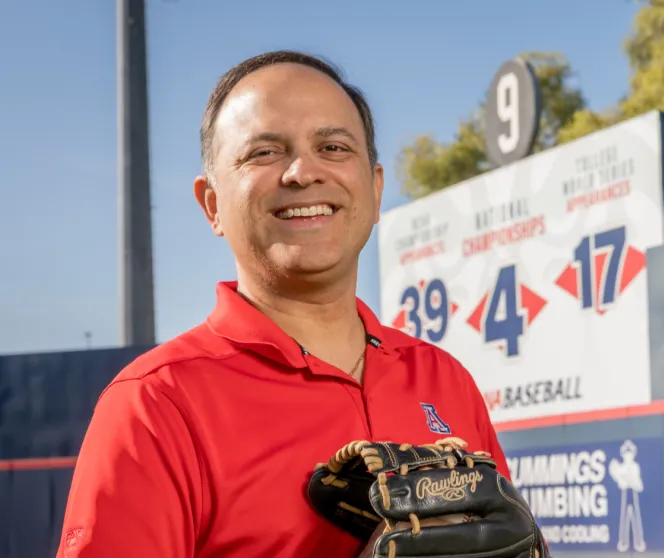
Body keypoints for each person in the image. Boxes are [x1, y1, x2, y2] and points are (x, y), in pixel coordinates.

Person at [56, 50, 509, 558]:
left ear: (376, 191)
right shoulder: (155, 404)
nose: (302, 172)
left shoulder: (445, 379)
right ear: (212, 205)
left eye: (334, 146)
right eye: (264, 153)